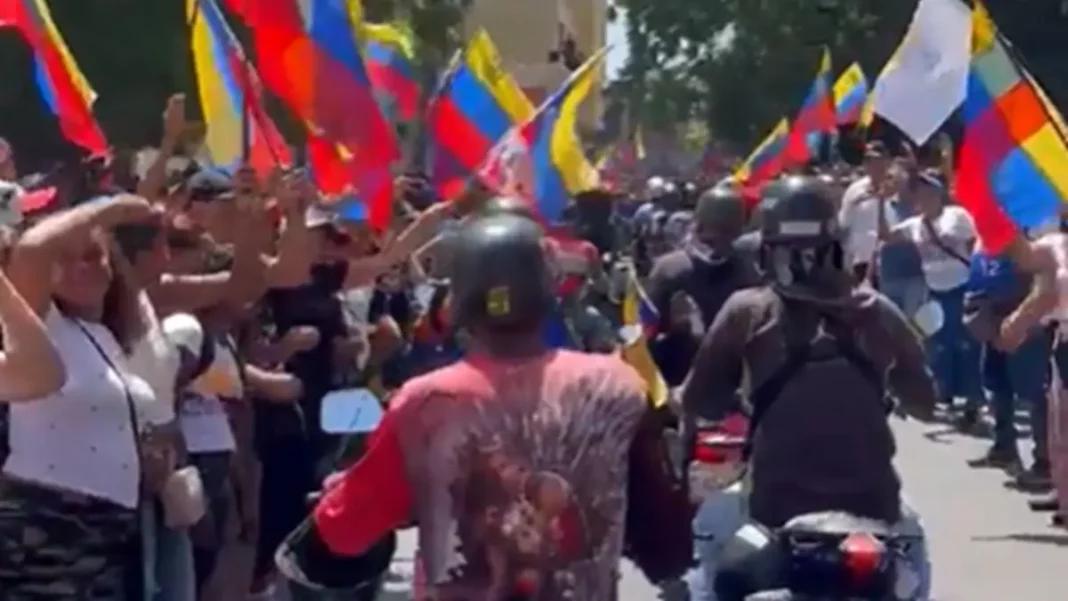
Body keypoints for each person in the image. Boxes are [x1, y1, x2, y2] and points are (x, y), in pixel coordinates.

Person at [278, 210, 694, 599]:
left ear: (457, 301)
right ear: (548, 290)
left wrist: (341, 495)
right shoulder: (618, 384)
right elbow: (664, 542)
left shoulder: (429, 402)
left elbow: (343, 533)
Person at [678, 176, 938, 600]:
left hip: (775, 517)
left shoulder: (748, 311)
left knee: (703, 578)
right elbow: (926, 404)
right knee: (915, 566)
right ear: (836, 244)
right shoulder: (877, 311)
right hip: (875, 515)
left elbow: (700, 401)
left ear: (766, 248)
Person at [646, 184, 760, 334]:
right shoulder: (750, 270)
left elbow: (647, 331)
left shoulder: (669, 268)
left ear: (698, 225)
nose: (720, 241)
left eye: (725, 233)